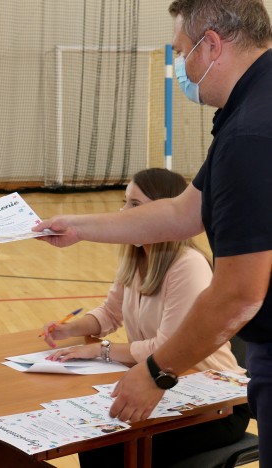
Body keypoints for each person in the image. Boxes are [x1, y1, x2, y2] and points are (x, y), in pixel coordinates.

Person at [33, 0, 272, 465]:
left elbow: (239, 293)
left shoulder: (251, 133)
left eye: (183, 51)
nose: (181, 66)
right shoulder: (253, 106)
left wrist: (157, 372)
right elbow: (183, 212)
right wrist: (80, 227)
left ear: (212, 45)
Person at [41, 168, 250, 466]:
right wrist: (71, 328)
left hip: (216, 404)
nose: (123, 213)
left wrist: (102, 350)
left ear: (164, 211)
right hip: (162, 389)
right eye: (125, 202)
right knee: (94, 440)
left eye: (134, 205)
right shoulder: (137, 256)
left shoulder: (187, 265)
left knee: (109, 448)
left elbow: (165, 349)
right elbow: (110, 313)